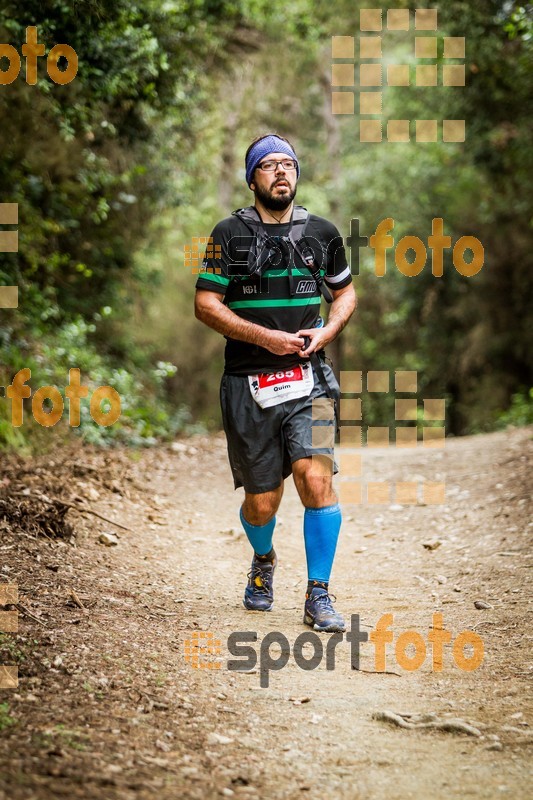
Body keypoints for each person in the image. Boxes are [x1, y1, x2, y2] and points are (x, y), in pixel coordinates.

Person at [194, 133, 356, 632]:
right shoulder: (227, 235)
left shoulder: (323, 233)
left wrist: (327, 329)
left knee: (317, 478)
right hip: (248, 384)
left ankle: (319, 594)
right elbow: (205, 305)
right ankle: (263, 558)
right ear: (252, 179)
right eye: (269, 165)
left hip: (314, 380)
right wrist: (265, 338)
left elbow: (345, 294)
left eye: (288, 164)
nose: (281, 171)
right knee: (262, 503)